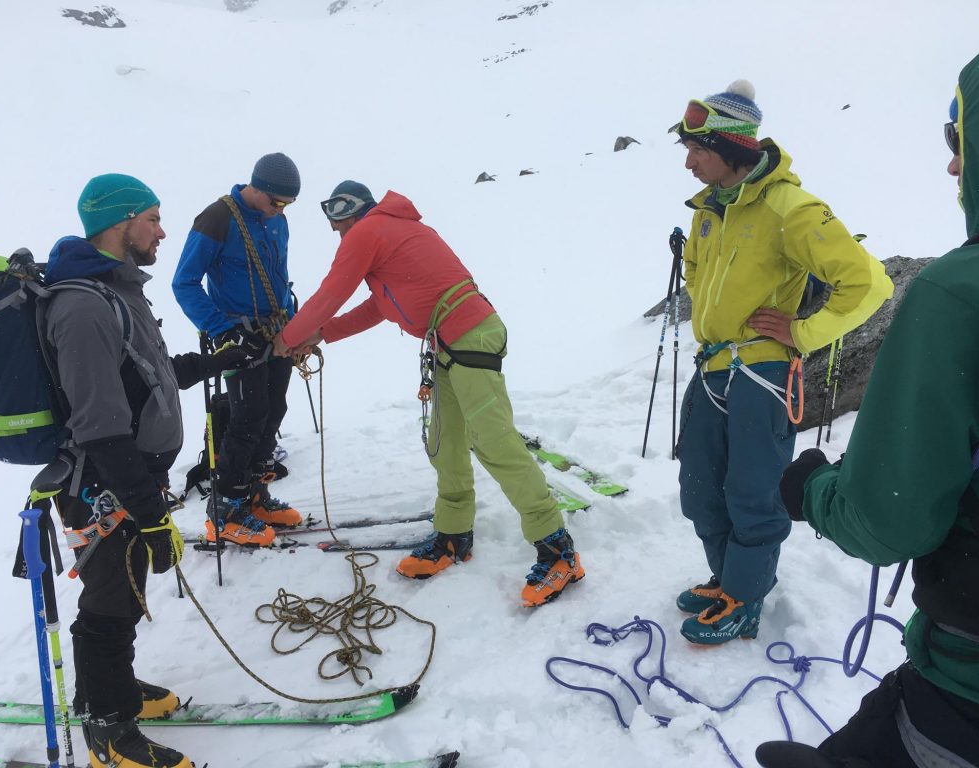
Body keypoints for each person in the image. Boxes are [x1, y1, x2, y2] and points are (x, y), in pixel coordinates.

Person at [757, 36, 979, 768]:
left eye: (960, 137)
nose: (954, 164)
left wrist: (815, 490)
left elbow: (888, 519)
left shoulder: (966, 296)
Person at [273, 181, 584, 606]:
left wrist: (288, 338)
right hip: (449, 341)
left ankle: (558, 550)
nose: (336, 231)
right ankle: (454, 535)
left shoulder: (370, 229)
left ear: (354, 210)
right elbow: (377, 307)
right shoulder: (388, 237)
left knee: (493, 441)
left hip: (469, 334)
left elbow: (332, 292)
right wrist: (320, 334)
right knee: (446, 442)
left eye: (338, 221)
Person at [671, 81, 893, 645]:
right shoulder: (707, 212)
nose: (689, 163)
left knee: (752, 490)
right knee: (699, 487)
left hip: (763, 373)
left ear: (731, 147)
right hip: (713, 367)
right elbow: (695, 270)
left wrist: (802, 333)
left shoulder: (791, 208)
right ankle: (728, 579)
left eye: (697, 149)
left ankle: (745, 597)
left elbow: (869, 284)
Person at [43, 174, 246, 768]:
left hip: (127, 476)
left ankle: (108, 689)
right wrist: (151, 512)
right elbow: (99, 425)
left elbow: (144, 376)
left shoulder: (118, 291)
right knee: (111, 601)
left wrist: (215, 361)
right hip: (103, 482)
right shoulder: (83, 306)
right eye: (152, 218)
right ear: (119, 221)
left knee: (125, 591)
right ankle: (108, 730)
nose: (162, 231)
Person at [172, 152, 304, 547]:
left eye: (287, 205)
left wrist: (294, 324)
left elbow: (278, 276)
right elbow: (184, 283)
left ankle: (255, 495)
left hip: (276, 331)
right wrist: (222, 330)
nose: (280, 210)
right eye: (276, 201)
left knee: (273, 410)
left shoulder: (277, 219)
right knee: (248, 417)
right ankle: (226, 507)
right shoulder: (217, 218)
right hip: (238, 337)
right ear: (257, 187)